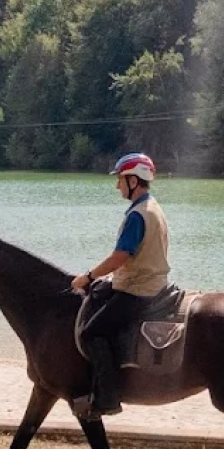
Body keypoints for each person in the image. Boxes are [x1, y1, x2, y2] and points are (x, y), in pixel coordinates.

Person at [70, 152, 171, 419]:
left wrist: (88, 277)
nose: (117, 186)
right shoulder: (152, 207)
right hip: (148, 280)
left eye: (121, 180)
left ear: (134, 181)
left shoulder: (137, 215)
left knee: (92, 333)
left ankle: (107, 398)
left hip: (139, 289)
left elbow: (119, 257)